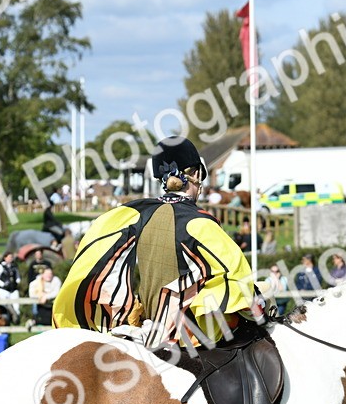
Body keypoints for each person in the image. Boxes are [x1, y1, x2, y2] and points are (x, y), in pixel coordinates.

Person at [53, 136, 256, 347]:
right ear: (196, 174)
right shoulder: (200, 223)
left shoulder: (130, 214)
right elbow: (237, 281)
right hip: (186, 343)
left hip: (142, 332)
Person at [0, 251, 21, 322]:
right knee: (5, 305)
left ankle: (15, 319)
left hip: (13, 290)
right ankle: (6, 319)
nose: (11, 259)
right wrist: (3, 284)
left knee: (16, 306)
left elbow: (17, 276)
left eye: (12, 257)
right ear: (5, 258)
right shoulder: (0, 266)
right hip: (4, 290)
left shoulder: (14, 266)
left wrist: (17, 282)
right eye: (9, 257)